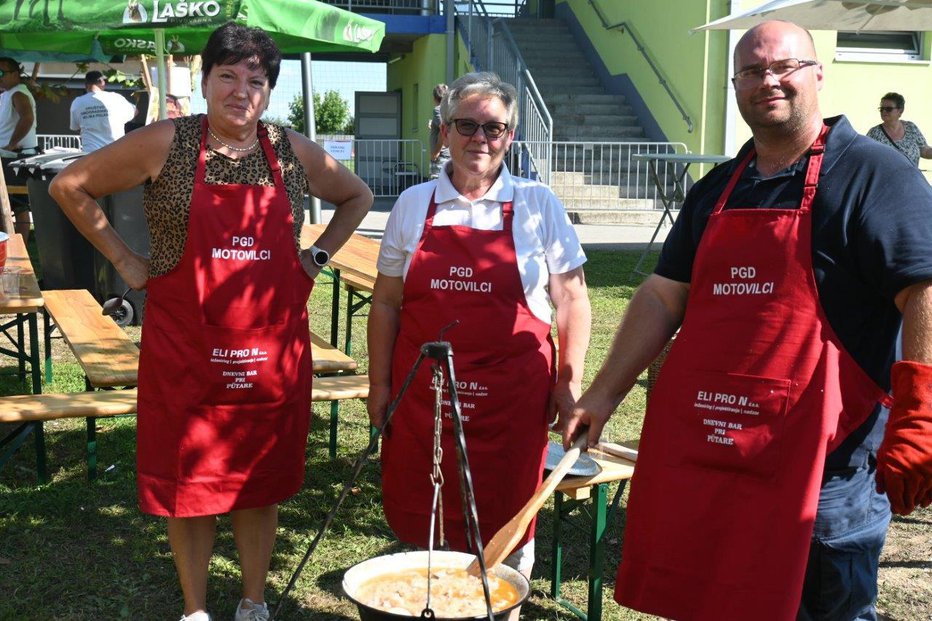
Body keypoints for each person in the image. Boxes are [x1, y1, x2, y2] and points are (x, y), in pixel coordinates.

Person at [564, 20, 932, 621]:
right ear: (736, 85)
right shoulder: (718, 189)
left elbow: (924, 287)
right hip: (715, 463)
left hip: (822, 482)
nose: (770, 81)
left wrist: (921, 411)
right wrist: (602, 396)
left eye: (785, 66)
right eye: (754, 71)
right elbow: (662, 296)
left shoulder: (874, 175)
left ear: (818, 74)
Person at [49, 22, 373, 621]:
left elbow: (357, 195)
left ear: (269, 92)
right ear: (205, 82)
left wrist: (314, 259)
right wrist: (124, 260)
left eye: (255, 80)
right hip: (186, 348)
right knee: (189, 483)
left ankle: (254, 601)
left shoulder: (292, 151)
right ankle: (195, 609)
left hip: (269, 351)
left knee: (260, 478)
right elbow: (71, 186)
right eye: (228, 76)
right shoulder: (165, 142)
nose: (240, 91)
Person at [367, 71, 591, 619]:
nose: (480, 138)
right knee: (425, 519)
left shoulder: (539, 206)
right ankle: (427, 603)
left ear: (510, 137)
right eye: (466, 125)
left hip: (510, 402)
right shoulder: (412, 205)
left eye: (494, 128)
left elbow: (573, 302)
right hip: (425, 400)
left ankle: (500, 609)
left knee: (507, 523)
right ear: (444, 132)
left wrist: (569, 382)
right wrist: (378, 385)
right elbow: (388, 303)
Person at [0, 56, 38, 238]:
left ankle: (19, 242)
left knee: (18, 202)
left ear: (15, 74)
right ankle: (11, 239)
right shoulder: (9, 93)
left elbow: (27, 118)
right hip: (10, 156)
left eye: (1, 73)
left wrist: (13, 143)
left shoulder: (18, 93)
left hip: (16, 157)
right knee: (13, 201)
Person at [69, 70, 137, 152]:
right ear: (101, 82)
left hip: (90, 153)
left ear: (86, 85)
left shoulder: (78, 102)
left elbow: (76, 127)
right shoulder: (115, 98)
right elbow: (135, 111)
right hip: (115, 151)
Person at [866, 92, 932, 167]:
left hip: (912, 178)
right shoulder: (874, 133)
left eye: (888, 109)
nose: (884, 111)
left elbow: (925, 151)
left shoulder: (911, 127)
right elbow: (867, 159)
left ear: (900, 111)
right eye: (881, 109)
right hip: (887, 178)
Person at [427, 83, 450, 179]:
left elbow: (443, 131)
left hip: (441, 157)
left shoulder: (438, 109)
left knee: (437, 188)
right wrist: (432, 125)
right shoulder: (449, 110)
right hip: (446, 156)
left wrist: (435, 153)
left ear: (434, 98)